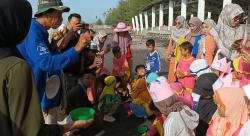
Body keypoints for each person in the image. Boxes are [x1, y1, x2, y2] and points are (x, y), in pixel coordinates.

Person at [0, 0, 93, 135]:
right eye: (59, 13)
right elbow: (46, 63)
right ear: (47, 14)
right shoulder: (33, 31)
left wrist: (53, 43)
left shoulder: (39, 31)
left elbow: (35, 58)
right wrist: (78, 48)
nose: (61, 18)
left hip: (43, 90)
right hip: (36, 94)